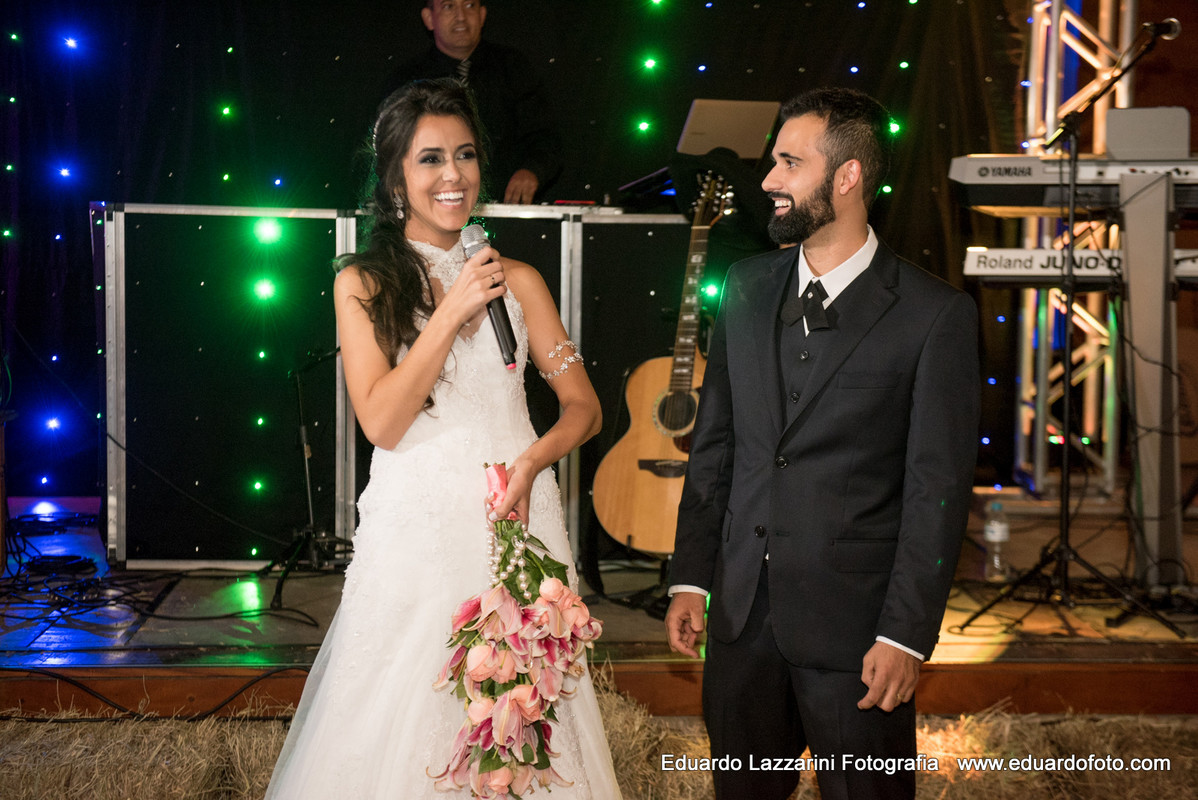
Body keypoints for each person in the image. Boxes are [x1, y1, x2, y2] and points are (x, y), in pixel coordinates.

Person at [266, 79, 621, 799]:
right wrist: (450, 310)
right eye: (430, 159)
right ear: (395, 178)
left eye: (464, 155)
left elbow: (584, 408)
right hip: (418, 529)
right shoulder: (362, 283)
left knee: (526, 704)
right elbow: (381, 422)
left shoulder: (517, 280)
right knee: (404, 707)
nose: (452, 174)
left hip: (518, 519)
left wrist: (532, 461)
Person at [664, 87, 980, 800]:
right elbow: (716, 448)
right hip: (741, 626)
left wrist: (904, 635)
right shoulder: (743, 287)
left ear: (847, 177)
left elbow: (935, 495)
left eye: (789, 163)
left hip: (858, 636)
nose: (768, 180)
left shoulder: (935, 317)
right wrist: (691, 578)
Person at [387, 0, 563, 204]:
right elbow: (389, 148)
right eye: (449, 6)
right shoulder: (408, 80)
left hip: (504, 208)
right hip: (433, 207)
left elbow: (545, 136)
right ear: (429, 18)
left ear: (482, 15)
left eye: (469, 5)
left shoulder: (513, 69)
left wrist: (531, 171)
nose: (461, 16)